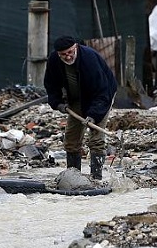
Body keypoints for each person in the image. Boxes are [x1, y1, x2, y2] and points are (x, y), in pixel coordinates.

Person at [44, 36, 117, 180]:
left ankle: (96, 178)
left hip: (101, 96)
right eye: (63, 54)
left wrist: (93, 115)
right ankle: (73, 177)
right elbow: (51, 86)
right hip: (76, 98)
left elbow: (102, 92)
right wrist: (57, 103)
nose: (68, 56)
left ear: (76, 47)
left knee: (96, 138)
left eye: (70, 52)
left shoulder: (89, 59)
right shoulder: (54, 60)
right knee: (71, 139)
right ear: (58, 54)